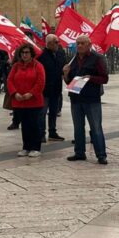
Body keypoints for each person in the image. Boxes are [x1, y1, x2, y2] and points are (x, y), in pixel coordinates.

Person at [63, 35, 109, 164]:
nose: (79, 46)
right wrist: (65, 74)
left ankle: (101, 155)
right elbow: (69, 81)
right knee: (78, 127)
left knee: (96, 127)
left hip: (91, 98)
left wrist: (90, 77)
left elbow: (104, 78)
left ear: (89, 44)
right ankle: (79, 153)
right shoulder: (73, 60)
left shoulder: (97, 58)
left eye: (82, 43)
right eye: (78, 43)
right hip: (76, 98)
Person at [7, 42, 46, 157]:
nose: (24, 55)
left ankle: (35, 147)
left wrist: (31, 93)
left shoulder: (38, 65)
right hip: (20, 102)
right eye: (22, 53)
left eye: (27, 52)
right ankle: (26, 147)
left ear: (31, 53)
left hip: (34, 102)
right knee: (25, 125)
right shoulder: (16, 66)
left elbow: (41, 82)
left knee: (34, 124)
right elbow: (10, 80)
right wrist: (15, 93)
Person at [37, 35, 66, 142]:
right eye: (55, 42)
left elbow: (63, 67)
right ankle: (41, 134)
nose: (58, 44)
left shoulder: (60, 54)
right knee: (42, 113)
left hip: (56, 88)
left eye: (58, 42)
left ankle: (52, 132)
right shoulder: (41, 56)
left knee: (53, 112)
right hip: (45, 90)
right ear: (48, 43)